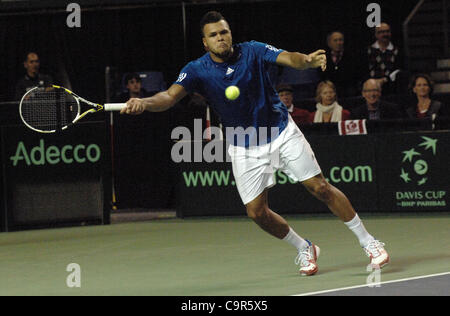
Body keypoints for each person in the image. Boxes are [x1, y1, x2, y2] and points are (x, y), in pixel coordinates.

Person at [121, 11, 389, 275]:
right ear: (205, 42)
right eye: (213, 35)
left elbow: (289, 58)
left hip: (281, 131)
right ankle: (304, 246)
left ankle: (369, 242)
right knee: (256, 212)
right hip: (243, 145)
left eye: (224, 32)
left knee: (320, 187)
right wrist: (144, 102)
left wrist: (306, 61)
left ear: (230, 33)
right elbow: (168, 97)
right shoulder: (196, 70)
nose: (220, 38)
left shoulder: (253, 50)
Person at [366, 23, 403, 95]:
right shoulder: (368, 51)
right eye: (382, 32)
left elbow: (399, 69)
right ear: (376, 35)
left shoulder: (398, 51)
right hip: (371, 89)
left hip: (392, 89)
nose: (385, 34)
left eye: (387, 31)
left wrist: (385, 79)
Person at [322, 31, 360, 97]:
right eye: (335, 40)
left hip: (348, 91)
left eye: (340, 40)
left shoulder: (352, 57)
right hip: (329, 90)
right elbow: (323, 77)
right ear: (329, 43)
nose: (338, 43)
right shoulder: (323, 58)